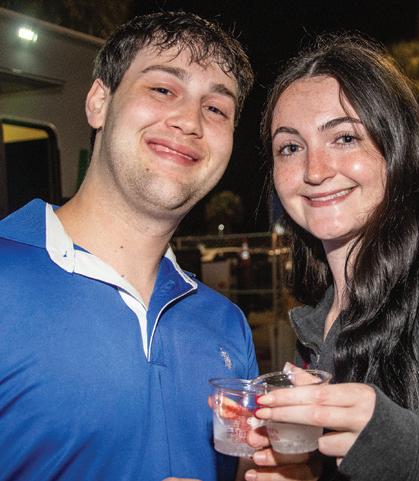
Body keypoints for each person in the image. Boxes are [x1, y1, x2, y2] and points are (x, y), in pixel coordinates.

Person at [0, 11, 307, 481]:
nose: (189, 121)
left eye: (216, 109)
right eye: (163, 89)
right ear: (99, 102)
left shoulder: (227, 325)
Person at [251, 33, 419, 480]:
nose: (314, 171)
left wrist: (403, 446)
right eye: (291, 147)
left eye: (344, 138)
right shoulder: (316, 322)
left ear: (396, 149)